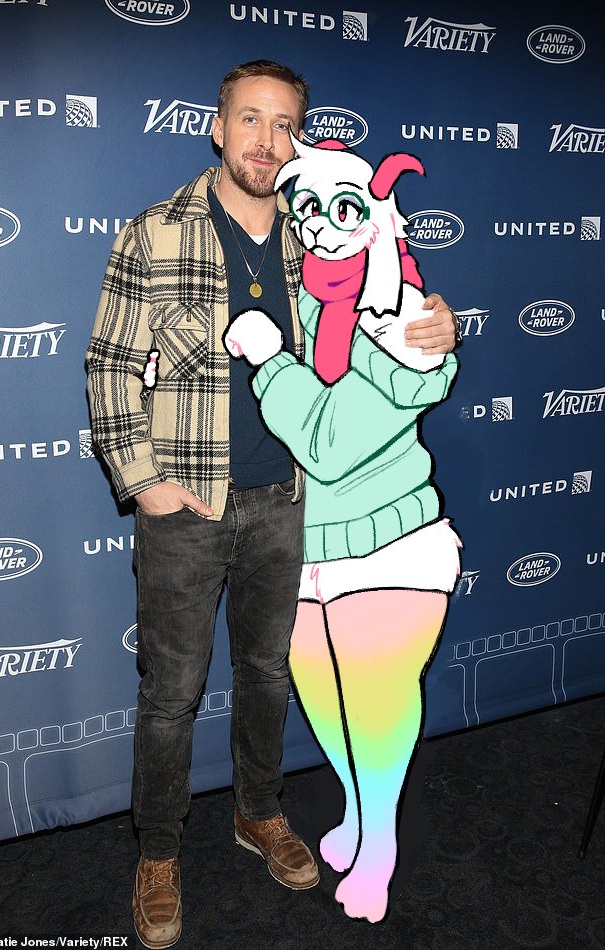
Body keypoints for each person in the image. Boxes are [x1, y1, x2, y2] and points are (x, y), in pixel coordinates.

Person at [85, 59, 458, 948]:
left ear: (300, 139)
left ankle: (259, 813)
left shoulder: (316, 231)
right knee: (172, 695)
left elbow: (395, 309)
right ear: (218, 128)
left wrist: (438, 325)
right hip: (187, 509)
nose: (265, 140)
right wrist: (143, 481)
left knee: (266, 679)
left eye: (284, 124)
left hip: (291, 505)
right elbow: (108, 364)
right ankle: (159, 853)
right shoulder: (157, 231)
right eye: (249, 119)